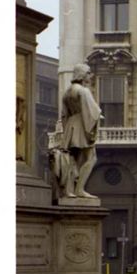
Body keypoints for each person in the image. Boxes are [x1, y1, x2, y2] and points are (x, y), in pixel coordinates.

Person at [56, 63, 102, 199]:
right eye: (88, 73)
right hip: (81, 125)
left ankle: (68, 190)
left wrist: (66, 131)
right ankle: (79, 189)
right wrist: (96, 121)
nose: (90, 75)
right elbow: (92, 112)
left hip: (71, 126)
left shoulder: (67, 92)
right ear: (82, 74)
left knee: (72, 160)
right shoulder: (83, 91)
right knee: (91, 158)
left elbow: (64, 114)